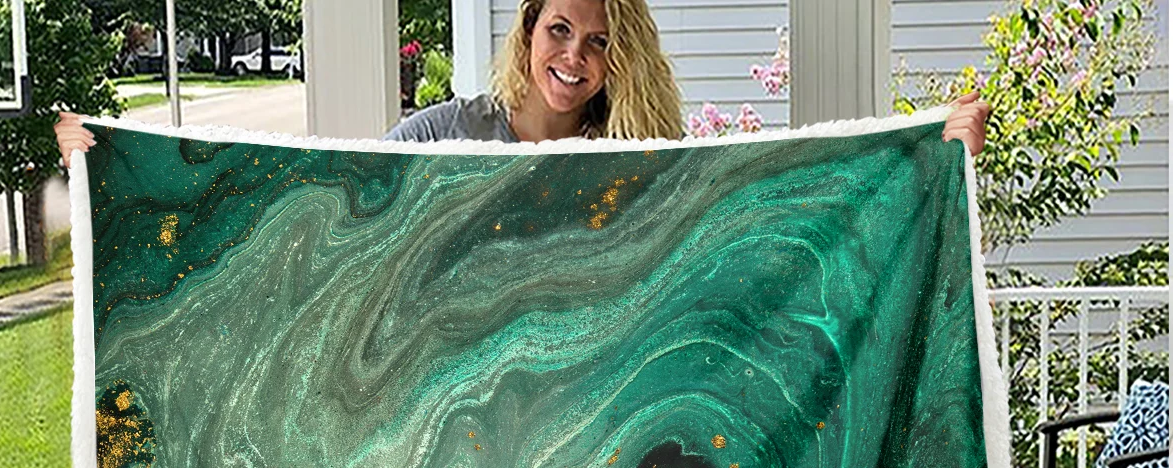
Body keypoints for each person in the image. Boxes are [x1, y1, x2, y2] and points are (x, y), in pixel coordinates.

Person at [54, 0, 989, 162]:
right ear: (528, 32)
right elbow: (331, 182)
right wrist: (126, 158)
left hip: (591, 419)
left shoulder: (632, 155)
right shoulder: (447, 133)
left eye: (599, 42)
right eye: (559, 30)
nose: (574, 57)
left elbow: (769, 188)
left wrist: (920, 148)